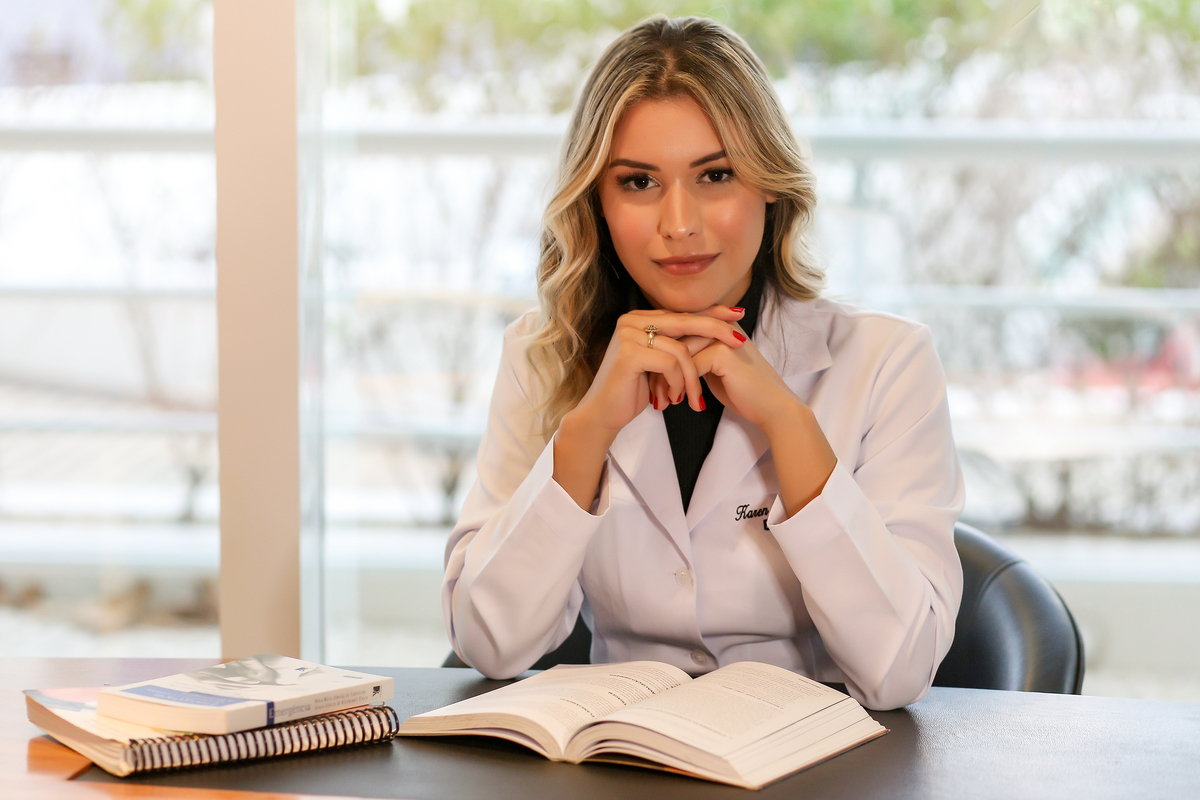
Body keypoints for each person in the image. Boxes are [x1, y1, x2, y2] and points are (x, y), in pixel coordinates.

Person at [442, 15, 965, 711]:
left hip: (810, 766)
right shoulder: (543, 355)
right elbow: (489, 642)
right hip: (617, 760)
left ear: (770, 184)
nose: (679, 224)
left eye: (715, 175)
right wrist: (588, 429)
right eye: (638, 183)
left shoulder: (887, 361)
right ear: (597, 200)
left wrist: (788, 423)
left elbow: (898, 671)